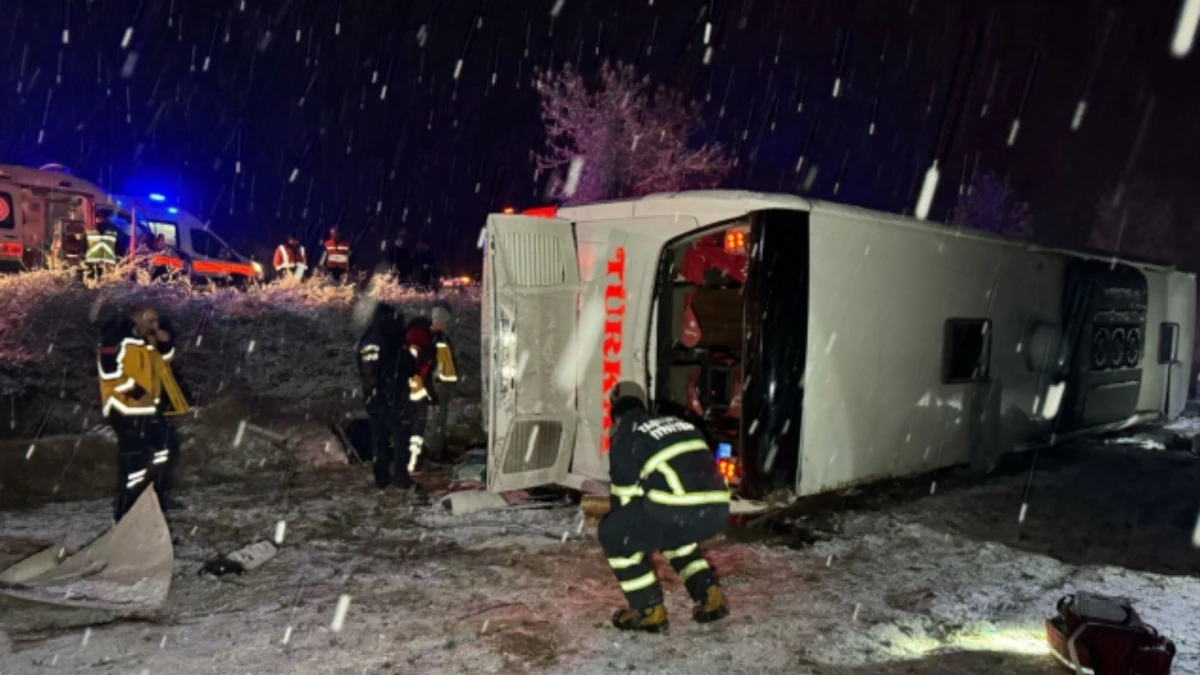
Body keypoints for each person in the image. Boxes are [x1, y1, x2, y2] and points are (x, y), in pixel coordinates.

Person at [600, 383, 731, 633]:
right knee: (672, 533)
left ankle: (649, 610)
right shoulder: (675, 423)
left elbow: (624, 501)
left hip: (679, 507)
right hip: (716, 509)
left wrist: (623, 529)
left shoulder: (627, 435)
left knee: (615, 533)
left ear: (616, 417)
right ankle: (711, 595)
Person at [97, 306, 191, 521]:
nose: (155, 324)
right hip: (124, 408)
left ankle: (154, 498)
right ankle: (125, 510)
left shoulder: (146, 340)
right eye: (151, 320)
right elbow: (109, 373)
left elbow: (164, 362)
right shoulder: (115, 338)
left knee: (168, 447)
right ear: (137, 317)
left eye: (157, 320)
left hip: (147, 408)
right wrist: (138, 393)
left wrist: (165, 341)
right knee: (133, 460)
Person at [356, 303, 423, 495]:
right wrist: (378, 391)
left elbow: (405, 365)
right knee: (397, 437)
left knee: (383, 438)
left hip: (385, 397)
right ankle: (396, 477)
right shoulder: (382, 340)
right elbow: (371, 371)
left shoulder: (386, 338)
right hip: (388, 397)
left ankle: (384, 477)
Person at [424, 301, 459, 460]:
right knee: (436, 420)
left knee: (440, 419)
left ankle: (437, 450)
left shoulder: (441, 337)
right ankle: (434, 452)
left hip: (442, 384)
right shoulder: (434, 337)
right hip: (437, 384)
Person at [403, 319, 436, 474]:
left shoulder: (407, 346)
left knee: (412, 429)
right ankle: (413, 463)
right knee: (416, 430)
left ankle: (412, 461)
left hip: (410, 394)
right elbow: (423, 374)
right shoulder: (419, 349)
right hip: (416, 394)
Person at [83, 216, 121, 281]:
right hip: (108, 265)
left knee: (91, 282)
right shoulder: (113, 232)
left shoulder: (90, 231)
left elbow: (83, 247)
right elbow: (120, 248)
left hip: (92, 264)